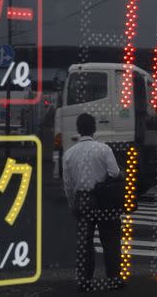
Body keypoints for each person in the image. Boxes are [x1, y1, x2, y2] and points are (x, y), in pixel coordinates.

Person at [62, 113, 124, 291]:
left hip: (83, 199)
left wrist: (72, 203)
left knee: (84, 243)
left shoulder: (69, 154)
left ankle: (85, 281)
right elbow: (114, 173)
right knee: (111, 240)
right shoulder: (104, 149)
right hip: (105, 200)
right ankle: (113, 280)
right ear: (94, 128)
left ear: (78, 129)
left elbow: (68, 184)